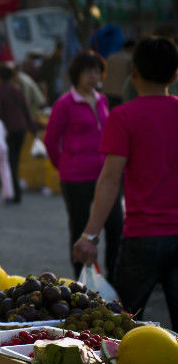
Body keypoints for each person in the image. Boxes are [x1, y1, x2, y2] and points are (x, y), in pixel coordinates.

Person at [73, 37, 178, 331]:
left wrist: (90, 235)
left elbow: (109, 179)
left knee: (121, 329)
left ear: (134, 73)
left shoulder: (123, 117)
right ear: (174, 75)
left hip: (141, 239)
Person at [44, 50, 123, 282]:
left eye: (97, 71)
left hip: (104, 176)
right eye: (88, 71)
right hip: (75, 177)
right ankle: (83, 281)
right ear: (76, 74)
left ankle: (113, 276)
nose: (93, 76)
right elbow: (50, 140)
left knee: (115, 225)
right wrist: (65, 166)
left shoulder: (102, 100)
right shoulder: (64, 104)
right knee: (80, 229)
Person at [0, 65, 36, 204]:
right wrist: (32, 127)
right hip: (21, 128)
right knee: (14, 161)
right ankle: (14, 193)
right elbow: (26, 109)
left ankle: (13, 194)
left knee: (9, 162)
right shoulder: (17, 90)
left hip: (8, 130)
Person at [102, 40, 135, 108]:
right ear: (131, 48)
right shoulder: (130, 59)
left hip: (107, 92)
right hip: (121, 94)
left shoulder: (111, 57)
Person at [39, 41, 64, 105]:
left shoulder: (64, 62)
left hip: (62, 93)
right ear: (57, 50)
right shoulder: (48, 62)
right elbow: (42, 80)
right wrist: (45, 95)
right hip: (51, 94)